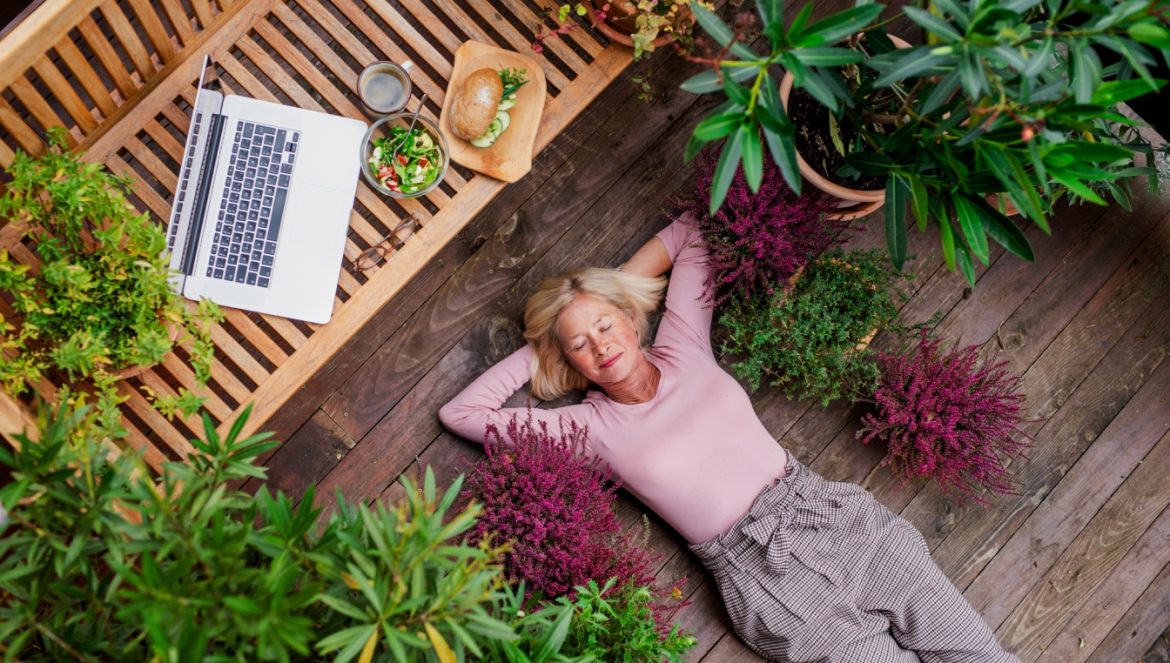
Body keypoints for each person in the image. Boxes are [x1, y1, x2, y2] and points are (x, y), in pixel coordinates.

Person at [439, 216, 1019, 663]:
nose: (600, 345)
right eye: (579, 345)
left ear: (630, 319)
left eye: (606, 324)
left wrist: (603, 292)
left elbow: (690, 234)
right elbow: (462, 412)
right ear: (569, 361)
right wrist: (544, 343)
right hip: (763, 576)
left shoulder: (685, 344)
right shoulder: (587, 430)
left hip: (837, 522)